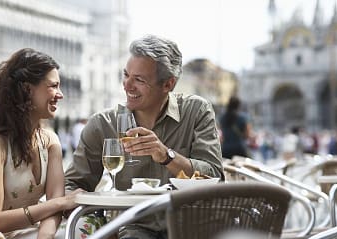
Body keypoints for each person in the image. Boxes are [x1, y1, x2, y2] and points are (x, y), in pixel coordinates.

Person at [65, 35, 224, 238]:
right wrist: (98, 220)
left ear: (168, 85)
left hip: (192, 227)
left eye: (139, 80)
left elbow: (215, 177)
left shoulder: (196, 111)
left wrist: (167, 156)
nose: (127, 85)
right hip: (135, 228)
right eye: (126, 75)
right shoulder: (102, 124)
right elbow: (72, 184)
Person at [0, 48, 82, 238]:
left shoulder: (50, 141)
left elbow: (54, 207)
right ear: (27, 89)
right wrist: (62, 203)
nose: (61, 94)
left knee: (94, 225)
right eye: (53, 86)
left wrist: (46, 235)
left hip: (33, 231)